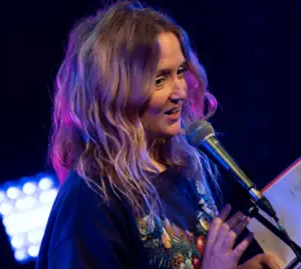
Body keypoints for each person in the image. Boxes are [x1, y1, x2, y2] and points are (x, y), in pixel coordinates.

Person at [35, 1, 284, 269]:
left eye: (179, 72)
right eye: (159, 79)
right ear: (116, 91)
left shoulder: (192, 167)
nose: (180, 92)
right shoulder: (91, 198)